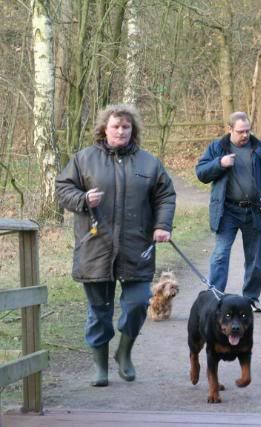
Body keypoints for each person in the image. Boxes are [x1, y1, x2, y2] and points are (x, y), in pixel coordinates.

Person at [56, 104, 176, 387]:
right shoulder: (84, 159)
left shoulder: (149, 163)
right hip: (95, 247)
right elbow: (63, 188)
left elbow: (165, 196)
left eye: (126, 127)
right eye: (115, 126)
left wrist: (162, 226)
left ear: (132, 130)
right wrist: (83, 199)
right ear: (104, 129)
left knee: (136, 305)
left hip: (137, 247)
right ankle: (100, 367)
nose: (121, 131)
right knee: (100, 311)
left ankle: (124, 352)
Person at [195, 112, 261, 313]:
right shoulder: (217, 148)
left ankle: (251, 299)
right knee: (220, 254)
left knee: (254, 260)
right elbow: (201, 173)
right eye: (240, 131)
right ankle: (215, 296)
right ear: (230, 129)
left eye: (247, 130)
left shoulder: (260, 148)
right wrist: (220, 164)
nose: (245, 135)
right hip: (227, 211)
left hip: (255, 211)